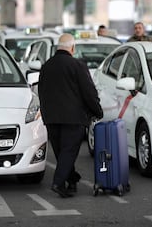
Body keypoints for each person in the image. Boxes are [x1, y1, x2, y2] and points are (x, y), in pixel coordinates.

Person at [38, 33, 103, 198]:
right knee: (68, 152)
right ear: (72, 48)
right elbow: (89, 92)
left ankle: (72, 179)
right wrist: (97, 111)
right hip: (73, 118)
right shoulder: (77, 65)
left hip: (52, 118)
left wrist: (46, 114)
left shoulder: (46, 66)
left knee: (62, 153)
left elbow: (42, 92)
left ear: (58, 47)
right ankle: (58, 183)